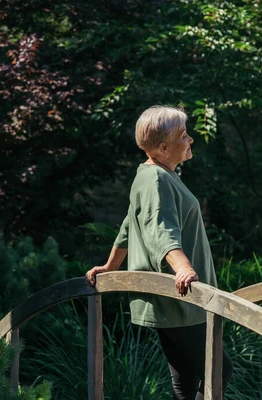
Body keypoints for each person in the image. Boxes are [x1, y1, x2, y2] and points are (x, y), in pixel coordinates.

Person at [85, 105, 233, 400]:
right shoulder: (156, 179)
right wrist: (183, 267)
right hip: (179, 297)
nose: (190, 140)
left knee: (186, 379)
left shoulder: (152, 175)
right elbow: (160, 229)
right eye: (184, 135)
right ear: (164, 147)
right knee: (219, 370)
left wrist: (110, 265)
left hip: (174, 298)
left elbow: (129, 226)